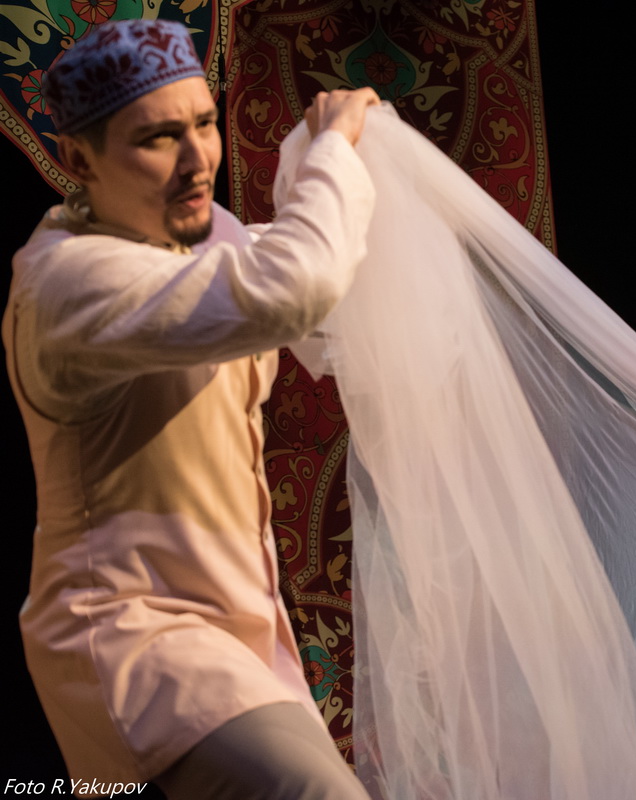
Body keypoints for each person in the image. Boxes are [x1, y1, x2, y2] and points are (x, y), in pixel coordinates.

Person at [3, 18, 381, 798]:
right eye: (158, 138)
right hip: (134, 633)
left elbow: (309, 286)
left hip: (239, 630)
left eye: (204, 124)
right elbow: (295, 287)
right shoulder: (69, 284)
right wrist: (333, 153)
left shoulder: (205, 245)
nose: (197, 159)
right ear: (78, 160)